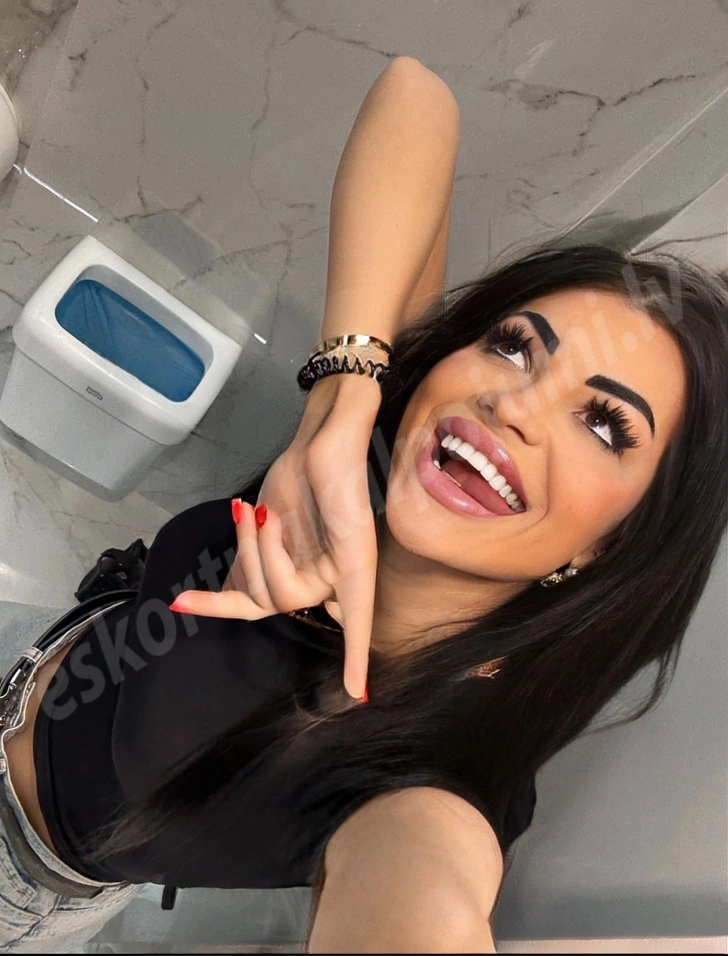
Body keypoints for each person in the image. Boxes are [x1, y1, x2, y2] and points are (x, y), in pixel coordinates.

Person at [0, 58, 726, 955]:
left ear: (612, 548)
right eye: (513, 346)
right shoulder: (380, 451)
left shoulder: (433, 787)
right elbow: (417, 96)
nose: (514, 403)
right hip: (38, 645)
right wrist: (341, 399)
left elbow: (422, 895)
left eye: (604, 423)